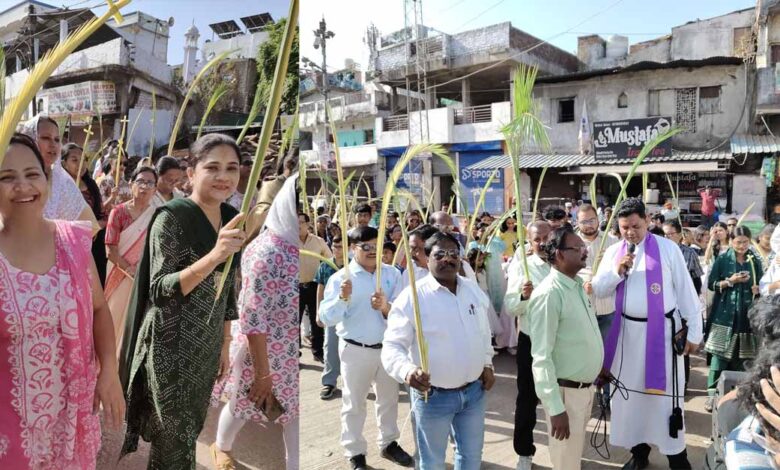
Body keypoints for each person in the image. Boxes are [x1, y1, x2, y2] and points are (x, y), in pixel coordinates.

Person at [119, 134, 245, 468]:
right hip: (170, 343)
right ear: (191, 173)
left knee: (188, 431)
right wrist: (215, 255)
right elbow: (161, 288)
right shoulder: (172, 217)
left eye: (231, 168)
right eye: (213, 167)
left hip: (207, 343)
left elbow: (227, 288)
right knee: (173, 438)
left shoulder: (232, 216)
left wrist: (225, 342)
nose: (223, 176)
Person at [0, 134, 125, 468]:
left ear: (47, 179)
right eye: (7, 177)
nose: (23, 186)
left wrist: (109, 370)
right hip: (11, 429)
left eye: (32, 174)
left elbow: (99, 308)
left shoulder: (73, 241)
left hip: (72, 418)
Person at [592, 197, 702, 470]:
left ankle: (676, 457)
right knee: (630, 399)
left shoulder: (668, 249)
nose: (630, 232)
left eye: (636, 226)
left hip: (662, 336)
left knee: (663, 402)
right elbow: (599, 289)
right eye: (624, 227)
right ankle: (639, 453)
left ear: (647, 221)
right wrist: (617, 272)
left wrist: (694, 332)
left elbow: (686, 291)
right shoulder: (614, 252)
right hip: (626, 336)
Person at [383, 231, 496, 470]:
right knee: (432, 462)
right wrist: (407, 371)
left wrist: (487, 362)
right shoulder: (412, 297)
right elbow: (392, 346)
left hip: (474, 393)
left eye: (453, 253)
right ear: (427, 258)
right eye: (440, 254)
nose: (448, 259)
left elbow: (483, 330)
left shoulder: (470, 288)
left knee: (471, 457)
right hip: (433, 397)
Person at [211, 173, 301, 470]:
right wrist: (263, 373)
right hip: (262, 354)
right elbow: (252, 318)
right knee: (243, 405)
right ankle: (221, 447)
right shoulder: (268, 252)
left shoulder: (299, 248)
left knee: (294, 417)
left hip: (289, 356)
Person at [319, 226, 413, 470]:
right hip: (355, 349)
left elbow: (405, 312)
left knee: (389, 400)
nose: (373, 251)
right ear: (352, 248)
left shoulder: (392, 274)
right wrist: (342, 298)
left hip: (389, 349)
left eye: (376, 246)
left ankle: (389, 443)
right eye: (366, 246)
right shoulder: (341, 279)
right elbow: (325, 318)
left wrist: (386, 307)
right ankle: (355, 451)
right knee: (354, 403)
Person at [527, 224, 604, 470]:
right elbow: (541, 357)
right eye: (578, 248)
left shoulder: (576, 286)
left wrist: (597, 366)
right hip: (565, 396)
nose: (585, 251)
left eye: (583, 247)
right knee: (565, 462)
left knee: (572, 458)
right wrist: (555, 408)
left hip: (583, 390)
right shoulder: (549, 294)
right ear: (560, 254)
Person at [504, 220, 552, 470]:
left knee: (561, 399)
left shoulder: (564, 261)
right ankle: (524, 452)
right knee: (527, 399)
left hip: (561, 342)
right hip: (532, 341)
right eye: (537, 240)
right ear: (529, 242)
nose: (542, 244)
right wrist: (523, 296)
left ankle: (563, 452)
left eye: (546, 238)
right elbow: (511, 307)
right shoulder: (523, 265)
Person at [705, 226, 762, 411]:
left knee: (743, 356)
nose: (742, 246)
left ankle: (738, 396)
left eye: (745, 242)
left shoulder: (754, 260)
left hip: (747, 315)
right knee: (719, 356)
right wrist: (731, 281)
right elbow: (712, 284)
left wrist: (757, 289)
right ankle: (711, 395)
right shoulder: (723, 259)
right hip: (725, 315)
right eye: (738, 242)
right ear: (731, 241)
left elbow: (761, 283)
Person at [104, 166, 158, 353]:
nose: (144, 187)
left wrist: (141, 272)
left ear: (155, 189)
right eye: (140, 181)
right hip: (119, 274)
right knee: (113, 319)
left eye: (150, 183)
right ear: (131, 184)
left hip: (143, 278)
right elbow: (110, 250)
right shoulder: (118, 213)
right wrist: (130, 270)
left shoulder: (156, 216)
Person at [19, 115, 98, 230]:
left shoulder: (63, 182)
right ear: (30, 139)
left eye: (57, 139)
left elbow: (88, 227)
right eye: (46, 138)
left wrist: (58, 234)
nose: (53, 144)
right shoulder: (16, 180)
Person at [663, 220, 705, 393]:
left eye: (670, 234)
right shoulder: (659, 252)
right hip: (665, 307)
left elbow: (696, 280)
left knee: (682, 344)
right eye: (664, 234)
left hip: (684, 306)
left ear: (680, 234)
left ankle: (683, 383)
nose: (667, 237)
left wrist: (688, 301)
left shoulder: (689, 253)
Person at [60, 142, 108, 285]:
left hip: (93, 243)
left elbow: (102, 214)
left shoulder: (91, 185)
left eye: (83, 160)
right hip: (68, 244)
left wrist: (95, 226)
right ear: (64, 163)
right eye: (74, 160)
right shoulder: (60, 187)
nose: (80, 164)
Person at [300, 212, 332, 363]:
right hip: (294, 286)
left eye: (301, 222)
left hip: (314, 286)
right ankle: (294, 354)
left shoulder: (318, 241)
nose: (298, 225)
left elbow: (329, 259)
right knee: (293, 322)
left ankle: (318, 351)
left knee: (316, 320)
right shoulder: (288, 241)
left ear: (308, 224)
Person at [316, 236, 346, 400]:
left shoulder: (353, 266)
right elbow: (320, 290)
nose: (337, 249)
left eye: (341, 246)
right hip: (331, 312)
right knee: (330, 346)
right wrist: (318, 312)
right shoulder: (325, 265)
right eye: (335, 246)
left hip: (349, 313)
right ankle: (329, 382)